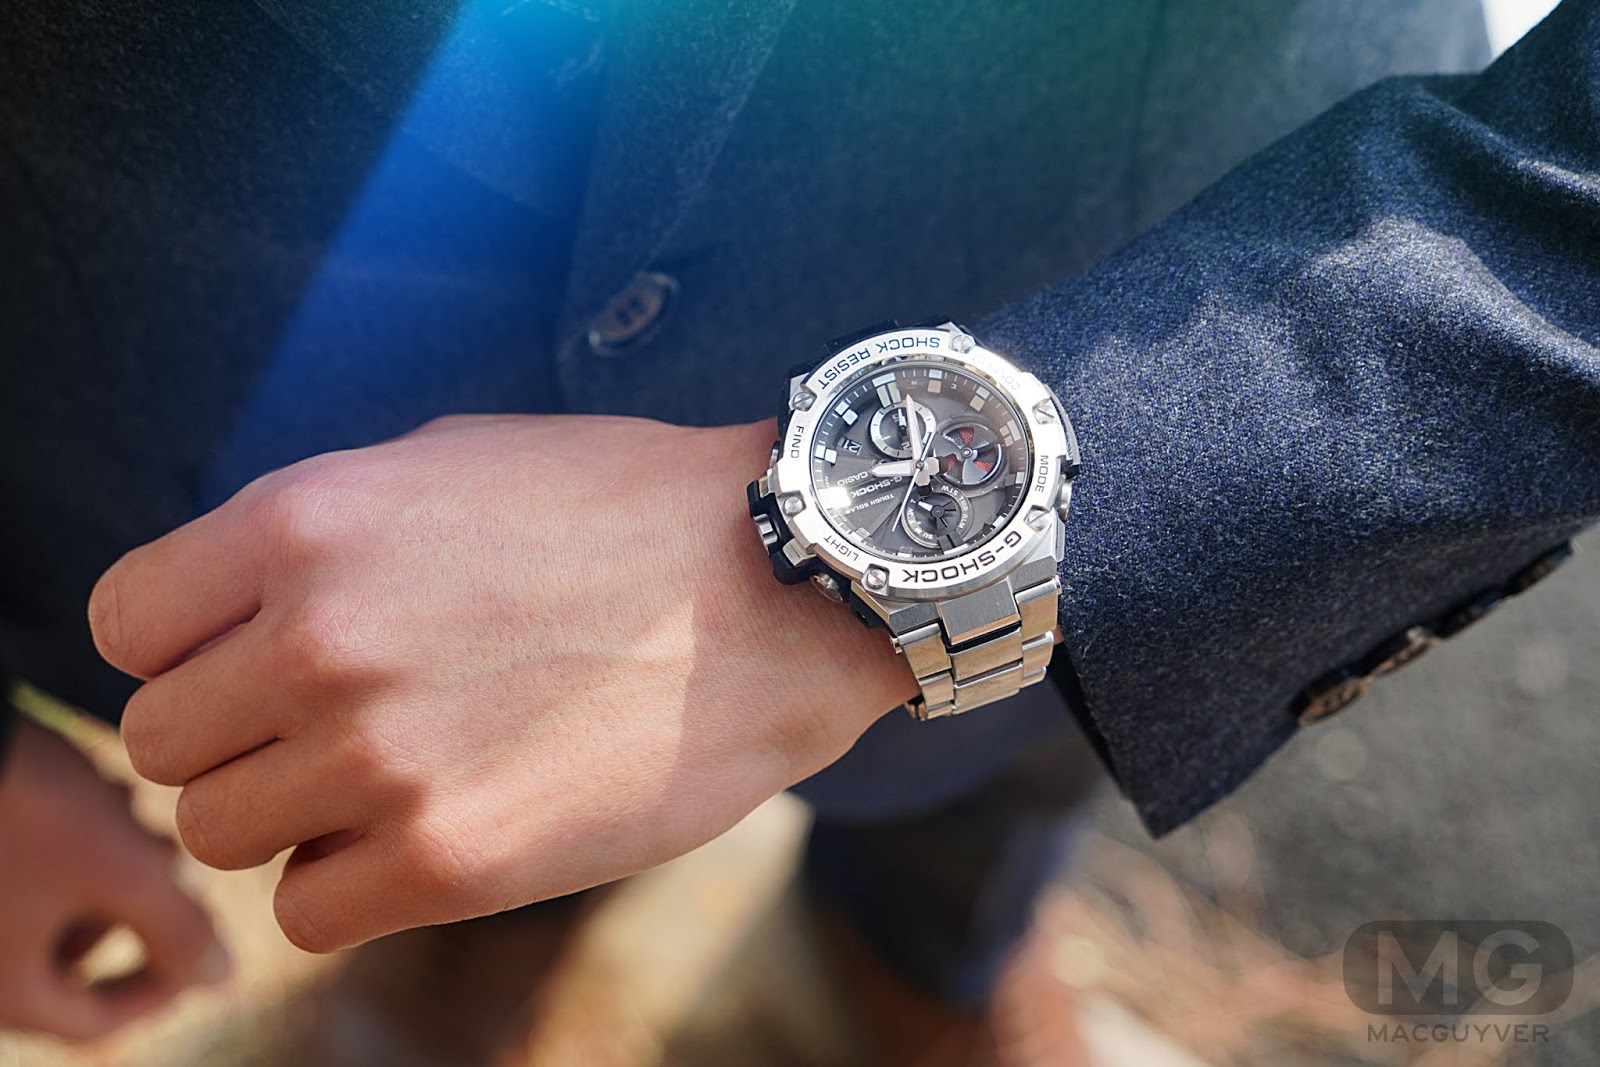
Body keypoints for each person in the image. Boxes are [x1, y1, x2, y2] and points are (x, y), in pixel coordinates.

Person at [2, 0, 1596, 1063]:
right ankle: (459, 963)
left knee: (1009, 763)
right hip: (190, 405)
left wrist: (877, 575)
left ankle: (927, 953)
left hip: (1148, 283)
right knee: (440, 869)